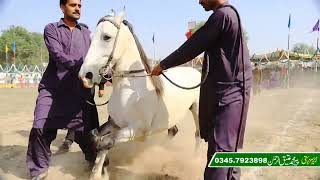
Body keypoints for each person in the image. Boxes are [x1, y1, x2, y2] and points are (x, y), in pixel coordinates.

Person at [151, 0, 252, 179]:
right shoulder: (228, 15)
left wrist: (163, 65)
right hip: (229, 95)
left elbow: (193, 46)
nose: (199, 1)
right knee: (229, 156)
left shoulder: (222, 16)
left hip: (229, 96)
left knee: (220, 156)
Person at [26, 0, 99, 179]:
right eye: (73, 5)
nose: (77, 8)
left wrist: (102, 79)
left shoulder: (89, 34)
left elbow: (98, 59)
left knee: (85, 134)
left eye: (80, 6)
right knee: (40, 126)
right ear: (62, 7)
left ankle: (95, 161)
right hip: (53, 88)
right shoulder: (51, 29)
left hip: (79, 92)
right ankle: (39, 170)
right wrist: (81, 71)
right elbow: (58, 54)